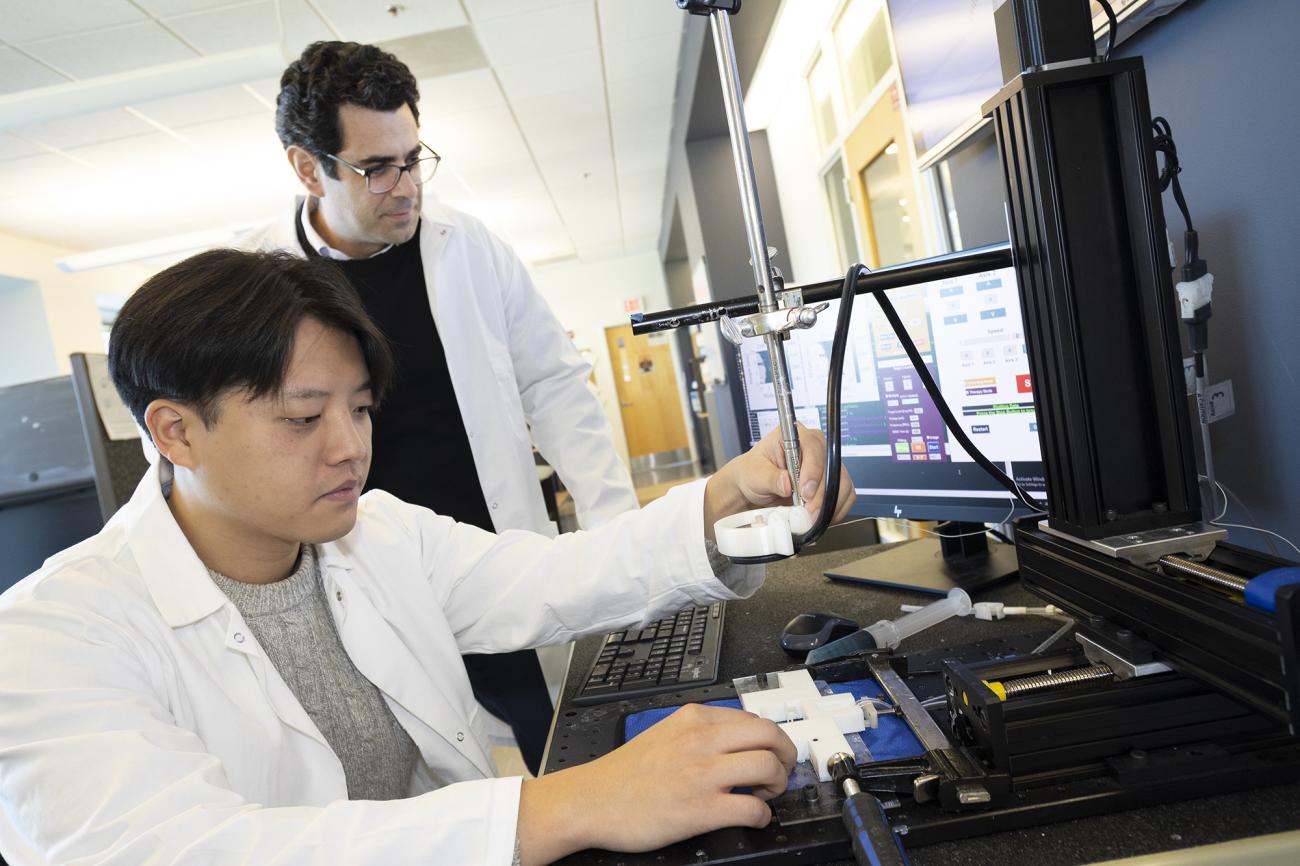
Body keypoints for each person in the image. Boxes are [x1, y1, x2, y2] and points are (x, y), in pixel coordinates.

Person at [0, 250, 854, 866]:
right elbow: (181, 850)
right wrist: (560, 804)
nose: (348, 449)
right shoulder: (52, 638)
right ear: (175, 431)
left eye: (361, 410)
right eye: (303, 418)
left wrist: (723, 499)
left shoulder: (378, 534)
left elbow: (554, 580)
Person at [242, 40, 641, 773]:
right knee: (407, 769)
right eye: (375, 168)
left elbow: (553, 383)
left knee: (560, 745)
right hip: (353, 577)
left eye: (413, 157)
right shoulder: (253, 285)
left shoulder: (468, 247)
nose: (406, 186)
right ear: (308, 167)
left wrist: (620, 530)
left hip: (490, 552)